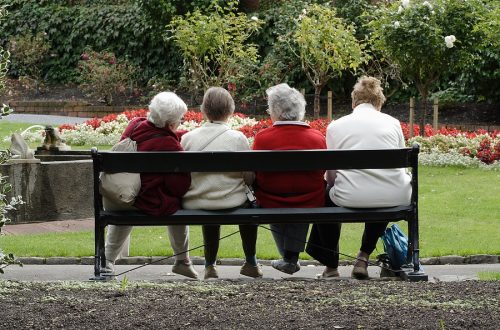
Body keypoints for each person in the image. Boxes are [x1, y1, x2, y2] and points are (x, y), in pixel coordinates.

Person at [306, 76, 412, 279]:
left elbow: (331, 176)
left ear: (354, 102)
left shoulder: (336, 126)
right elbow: (398, 165)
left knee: (325, 195)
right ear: (379, 103)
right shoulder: (393, 123)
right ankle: (363, 257)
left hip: (350, 195)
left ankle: (330, 266)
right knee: (383, 192)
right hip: (394, 195)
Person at [103, 92, 199, 279]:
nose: (181, 122)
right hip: (143, 200)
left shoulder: (135, 124)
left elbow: (152, 139)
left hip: (118, 193)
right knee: (176, 203)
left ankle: (106, 261)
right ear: (170, 124)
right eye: (180, 119)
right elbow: (178, 186)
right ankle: (182, 261)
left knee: (127, 205)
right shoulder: (171, 146)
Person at [181, 87, 262, 279]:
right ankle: (251, 262)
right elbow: (249, 176)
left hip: (197, 200)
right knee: (249, 207)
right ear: (230, 111)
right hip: (231, 200)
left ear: (204, 110)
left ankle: (210, 266)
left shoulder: (188, 138)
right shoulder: (237, 138)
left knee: (210, 206)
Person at [253, 83, 326, 275]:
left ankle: (289, 259)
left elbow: (255, 173)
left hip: (270, 200)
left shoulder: (263, 138)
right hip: (309, 200)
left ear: (275, 111)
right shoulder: (317, 138)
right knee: (301, 195)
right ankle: (290, 258)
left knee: (277, 194)